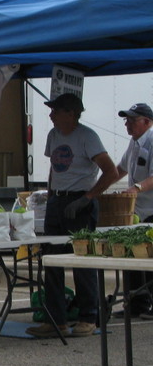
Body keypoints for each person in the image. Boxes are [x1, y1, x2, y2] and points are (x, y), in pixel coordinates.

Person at [30, 93, 119, 338]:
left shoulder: (87, 137)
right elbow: (52, 169)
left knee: (82, 261)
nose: (51, 116)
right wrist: (50, 196)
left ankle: (88, 317)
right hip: (58, 200)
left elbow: (111, 172)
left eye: (56, 111)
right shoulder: (54, 135)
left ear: (71, 114)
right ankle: (56, 319)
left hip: (80, 201)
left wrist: (87, 198)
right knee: (51, 261)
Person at [114, 102, 153, 317]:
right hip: (137, 211)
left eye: (132, 120)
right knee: (132, 257)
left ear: (146, 122)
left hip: (151, 209)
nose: (127, 124)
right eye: (126, 120)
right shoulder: (134, 142)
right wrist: (98, 185)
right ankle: (136, 304)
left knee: (149, 260)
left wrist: (136, 188)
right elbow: (119, 169)